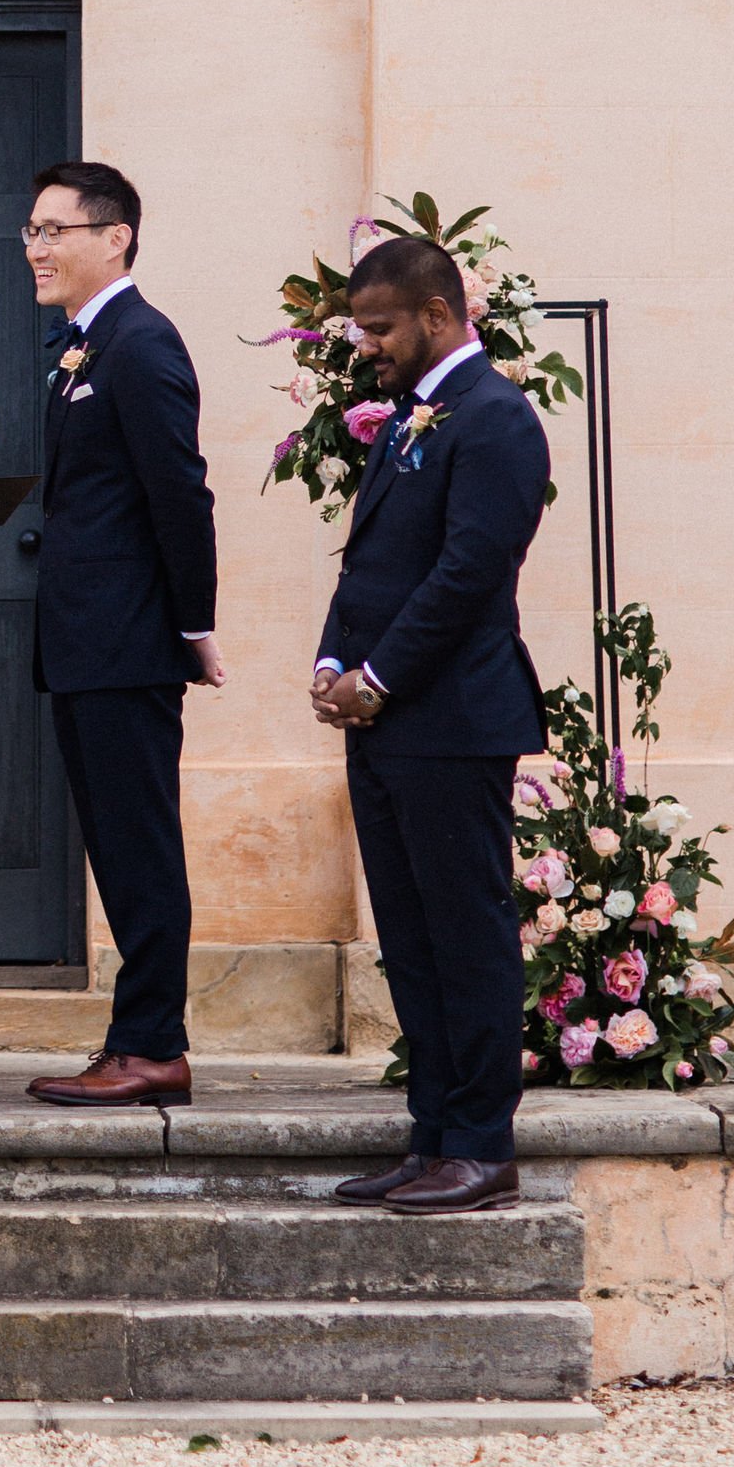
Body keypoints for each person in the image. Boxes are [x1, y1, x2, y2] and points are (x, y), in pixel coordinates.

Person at [311, 232, 550, 1215]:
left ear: (437, 317)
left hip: (450, 717)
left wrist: (376, 673)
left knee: (465, 930)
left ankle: (481, 1144)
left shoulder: (493, 419)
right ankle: (430, 1135)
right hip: (382, 721)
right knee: (409, 936)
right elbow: (367, 560)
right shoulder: (412, 414)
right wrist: (332, 659)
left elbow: (467, 573)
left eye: (378, 327)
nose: (365, 345)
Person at [20, 163, 222, 1108]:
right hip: (85, 641)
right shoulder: (82, 349)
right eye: (31, 230)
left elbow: (180, 493)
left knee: (140, 847)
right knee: (116, 844)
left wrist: (195, 624)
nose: (38, 247)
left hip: (130, 640)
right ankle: (134, 1037)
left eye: (57, 229)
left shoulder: (141, 345)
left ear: (117, 238)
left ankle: (153, 1046)